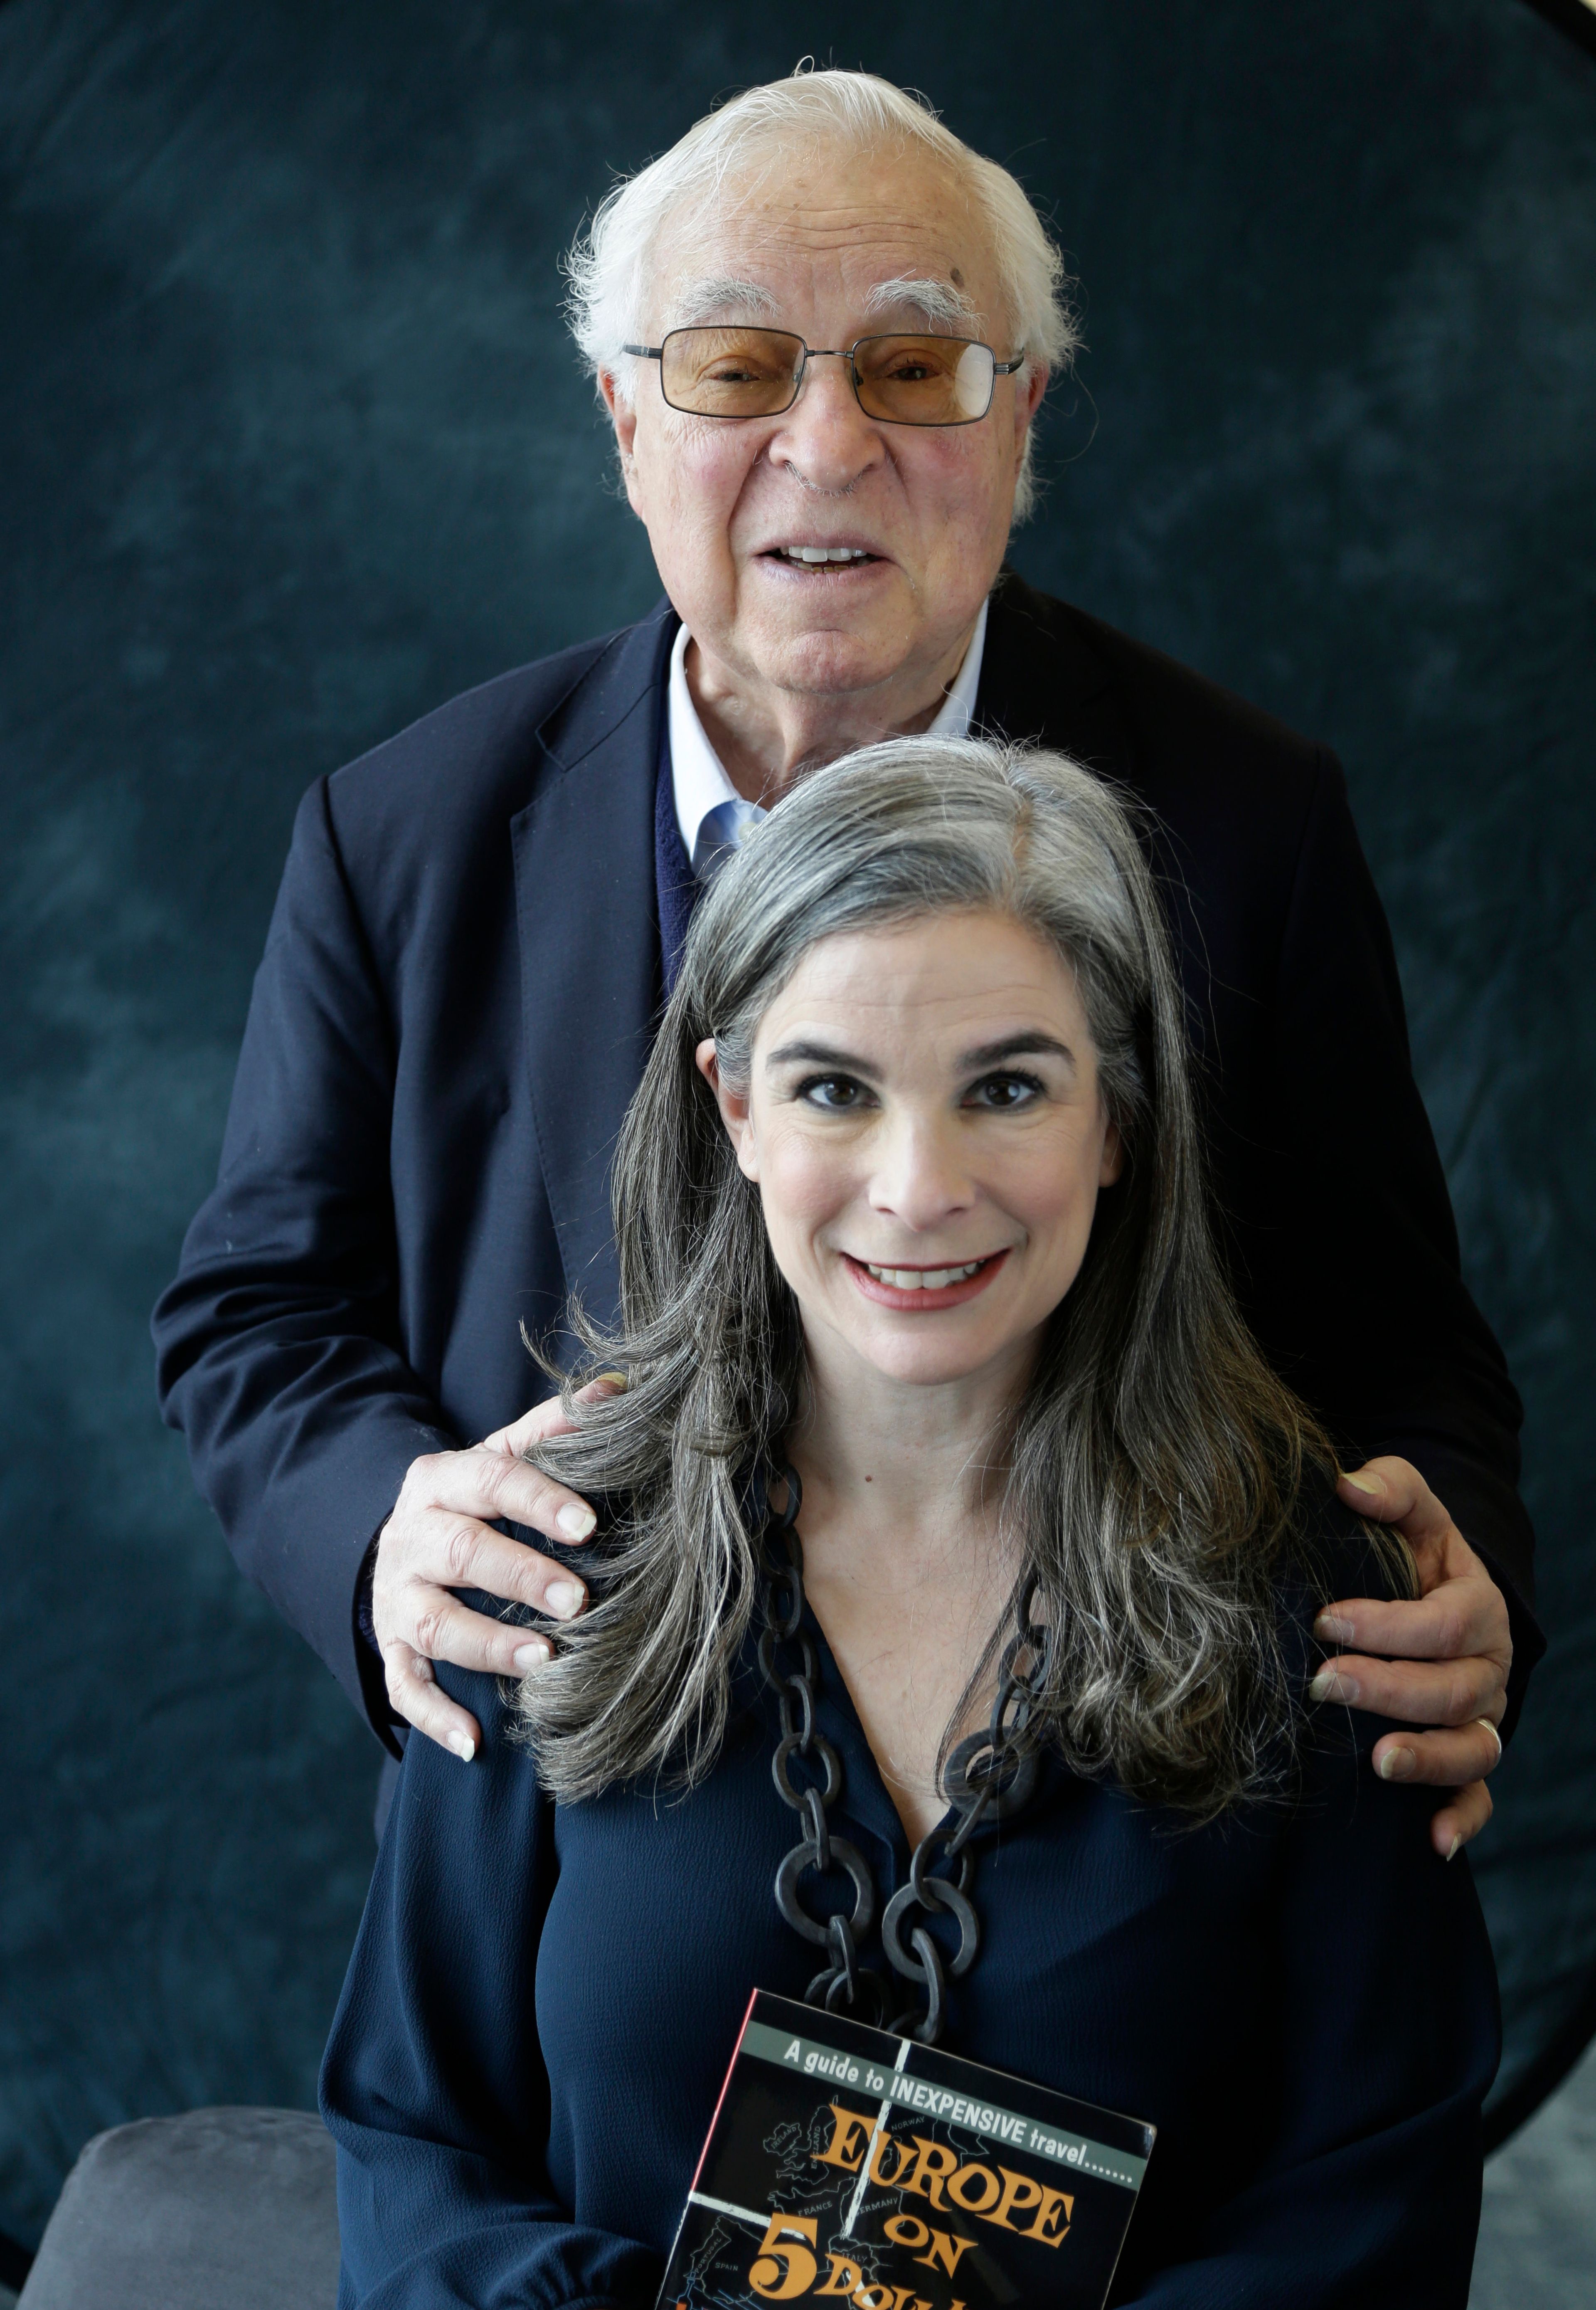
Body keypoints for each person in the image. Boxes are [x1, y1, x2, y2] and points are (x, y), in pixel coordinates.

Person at [151, 67, 1530, 1855]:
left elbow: (1405, 1346)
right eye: (735, 368)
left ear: (1022, 418)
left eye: (913, 366)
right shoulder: (398, 832)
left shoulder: (1251, 824)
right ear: (626, 424)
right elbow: (256, 1314)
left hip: (1102, 1846)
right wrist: (378, 1525)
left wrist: (1462, 1569)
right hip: (572, 1859)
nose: (825, 445)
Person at [320, 738, 1499, 2309]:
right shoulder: (538, 1563)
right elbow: (413, 2147)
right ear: (732, 1108)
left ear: (1120, 1122)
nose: (918, 1186)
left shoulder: (1326, 1606)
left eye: (1007, 1088)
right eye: (833, 1090)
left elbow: (1373, 2206)